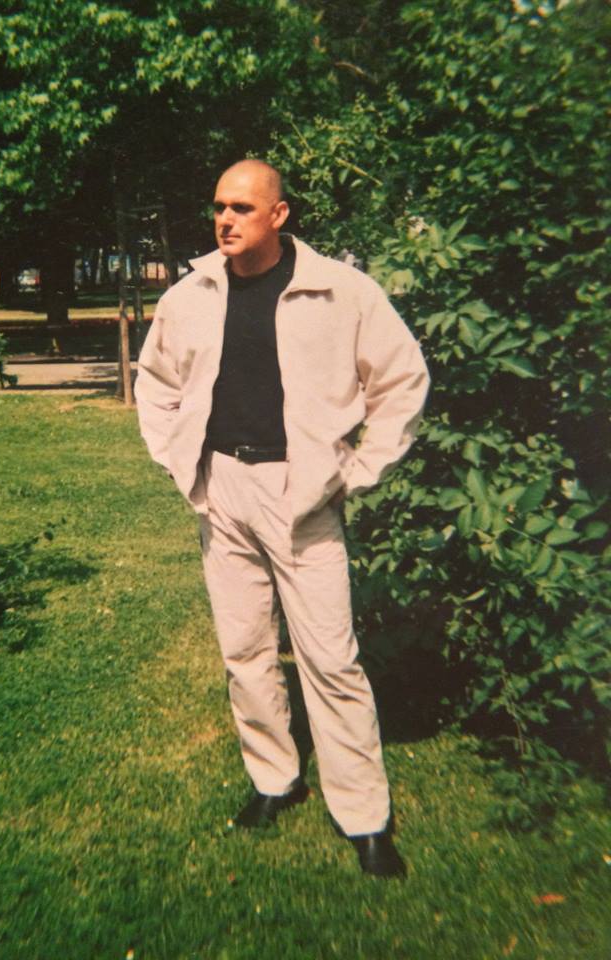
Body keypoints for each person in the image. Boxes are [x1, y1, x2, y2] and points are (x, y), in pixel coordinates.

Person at [135, 159, 429, 876]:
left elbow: (402, 381)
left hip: (302, 494)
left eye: (241, 207)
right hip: (221, 487)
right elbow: (157, 381)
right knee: (244, 649)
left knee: (331, 659)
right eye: (218, 207)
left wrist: (355, 471)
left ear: (279, 214)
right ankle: (275, 778)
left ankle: (364, 817)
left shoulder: (340, 291)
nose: (225, 220)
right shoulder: (191, 295)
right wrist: (178, 460)